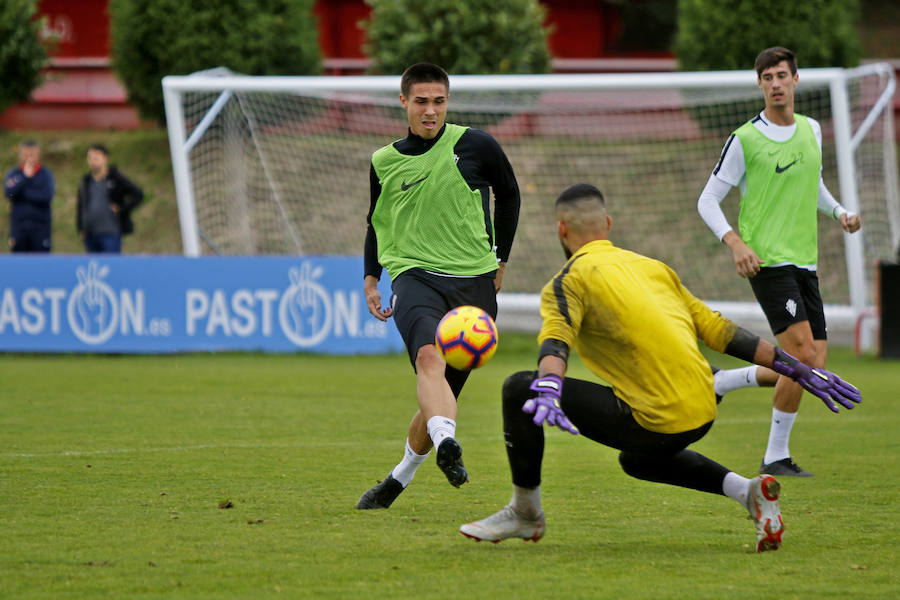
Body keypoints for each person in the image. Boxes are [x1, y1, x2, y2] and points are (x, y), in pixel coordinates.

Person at [460, 183, 860, 551]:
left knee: (517, 387)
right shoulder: (652, 266)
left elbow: (556, 342)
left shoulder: (567, 280)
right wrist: (796, 367)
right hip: (703, 409)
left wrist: (547, 385)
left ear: (561, 230)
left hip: (655, 418)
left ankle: (525, 513)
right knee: (636, 459)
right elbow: (718, 330)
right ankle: (749, 492)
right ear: (608, 225)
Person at [357, 62, 521, 509]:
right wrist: (372, 277)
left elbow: (509, 194)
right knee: (428, 358)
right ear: (404, 102)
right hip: (414, 276)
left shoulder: (475, 145)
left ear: (447, 102)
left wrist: (500, 258)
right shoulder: (383, 161)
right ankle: (449, 443)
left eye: (439, 102)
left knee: (442, 396)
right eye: (422, 102)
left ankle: (400, 477)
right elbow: (377, 222)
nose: (431, 111)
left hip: (474, 285)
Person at [697, 47, 862, 477]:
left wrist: (839, 212)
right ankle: (775, 457)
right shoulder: (745, 138)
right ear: (760, 84)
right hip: (767, 263)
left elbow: (815, 183)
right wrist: (735, 244)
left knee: (812, 366)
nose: (775, 83)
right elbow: (708, 200)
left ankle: (723, 382)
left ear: (795, 80)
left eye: (781, 75)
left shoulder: (811, 130)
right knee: (803, 357)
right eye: (767, 76)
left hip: (805, 261)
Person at [76, 144, 144, 254]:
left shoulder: (115, 178)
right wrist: (81, 227)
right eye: (90, 158)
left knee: (111, 266)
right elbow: (81, 205)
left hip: (110, 232)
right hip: (90, 234)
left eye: (96, 158)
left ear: (105, 158)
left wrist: (121, 208)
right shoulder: (86, 181)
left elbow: (138, 195)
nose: (93, 161)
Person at [4, 140, 54, 252]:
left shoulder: (45, 174)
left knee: (41, 264)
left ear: (38, 155)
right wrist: (25, 177)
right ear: (20, 155)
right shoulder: (14, 174)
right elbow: (10, 194)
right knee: (19, 264)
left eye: (32, 154)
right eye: (26, 154)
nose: (29, 158)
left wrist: (23, 194)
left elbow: (46, 196)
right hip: (19, 228)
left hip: (41, 228)